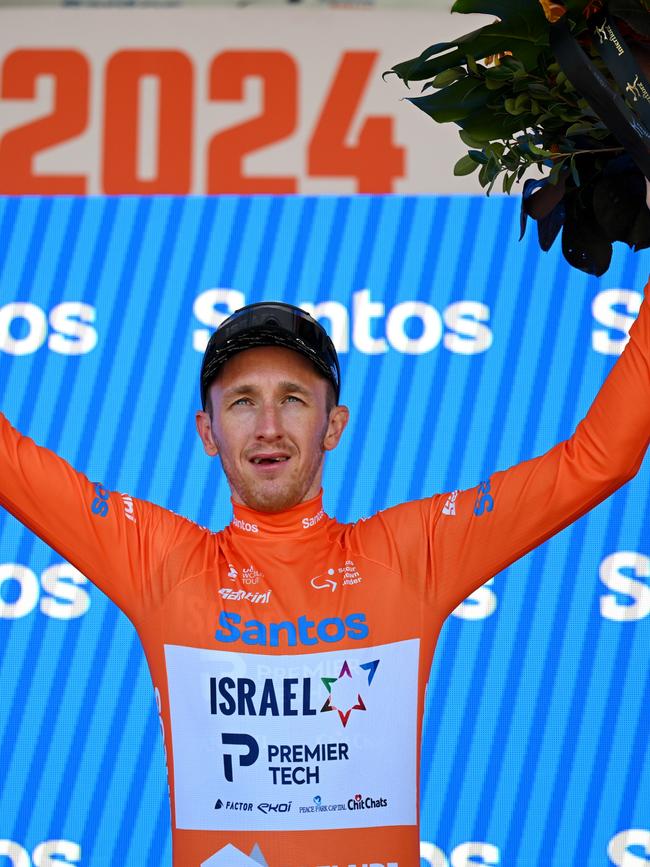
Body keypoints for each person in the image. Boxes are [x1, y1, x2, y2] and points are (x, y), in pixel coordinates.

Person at [1, 290, 649, 867]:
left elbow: (598, 460)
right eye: (242, 402)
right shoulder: (163, 562)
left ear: (332, 424)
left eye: (294, 399)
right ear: (207, 431)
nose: (268, 426)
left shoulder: (410, 554)